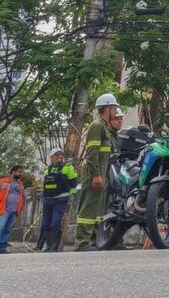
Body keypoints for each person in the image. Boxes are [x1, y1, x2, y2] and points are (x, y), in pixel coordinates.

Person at [74, 93, 117, 251]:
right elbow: (92, 153)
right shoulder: (97, 126)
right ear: (107, 109)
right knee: (88, 208)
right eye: (114, 108)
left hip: (100, 174)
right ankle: (82, 243)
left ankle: (92, 241)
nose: (116, 111)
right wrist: (96, 175)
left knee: (96, 210)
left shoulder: (105, 127)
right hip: (94, 175)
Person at [35, 149, 77, 252]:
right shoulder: (47, 170)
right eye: (56, 155)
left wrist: (68, 195)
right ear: (51, 157)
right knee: (46, 224)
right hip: (48, 200)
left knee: (55, 223)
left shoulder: (68, 168)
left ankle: (54, 246)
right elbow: (45, 185)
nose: (59, 156)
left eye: (60, 154)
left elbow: (74, 183)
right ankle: (49, 246)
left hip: (60, 200)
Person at [0, 165, 26, 254]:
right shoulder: (3, 181)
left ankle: (2, 248)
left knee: (7, 229)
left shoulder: (20, 184)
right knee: (1, 228)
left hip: (14, 211)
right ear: (13, 172)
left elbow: (22, 197)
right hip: (3, 210)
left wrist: (20, 209)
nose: (20, 174)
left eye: (21, 172)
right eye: (19, 172)